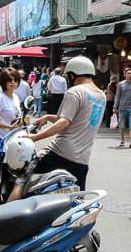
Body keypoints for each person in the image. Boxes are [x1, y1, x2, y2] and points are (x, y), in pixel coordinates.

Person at [27, 56, 106, 187]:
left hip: (60, 153)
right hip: (82, 159)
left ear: (73, 74)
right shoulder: (100, 95)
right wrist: (47, 117)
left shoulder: (75, 91)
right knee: (77, 202)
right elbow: (76, 119)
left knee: (22, 178)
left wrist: (35, 137)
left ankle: (8, 206)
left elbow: (64, 122)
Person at [0, 69, 22, 196]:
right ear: (3, 82)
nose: (13, 83)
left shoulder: (16, 97)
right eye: (9, 80)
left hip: (12, 139)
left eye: (15, 80)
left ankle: (6, 197)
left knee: (13, 170)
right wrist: (9, 126)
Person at [115, 67, 131, 148]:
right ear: (124, 74)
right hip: (122, 108)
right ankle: (122, 140)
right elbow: (118, 96)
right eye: (128, 73)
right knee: (122, 125)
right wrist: (115, 107)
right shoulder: (120, 84)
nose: (130, 75)